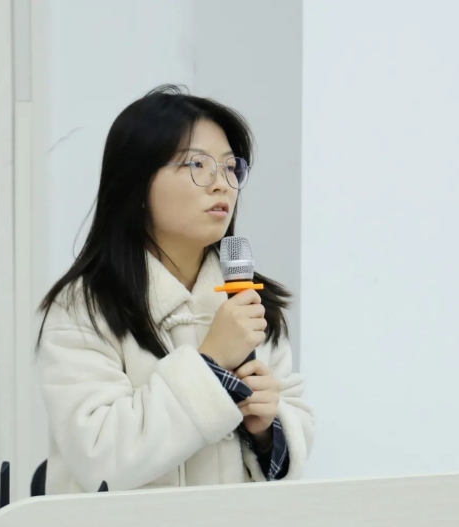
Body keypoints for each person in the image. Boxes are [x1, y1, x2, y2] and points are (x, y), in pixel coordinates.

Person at [36, 85, 314, 494]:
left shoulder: (249, 302)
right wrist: (210, 363)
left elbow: (294, 427)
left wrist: (266, 430)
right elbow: (101, 458)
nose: (222, 185)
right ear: (137, 182)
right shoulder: (85, 307)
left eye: (230, 167)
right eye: (197, 164)